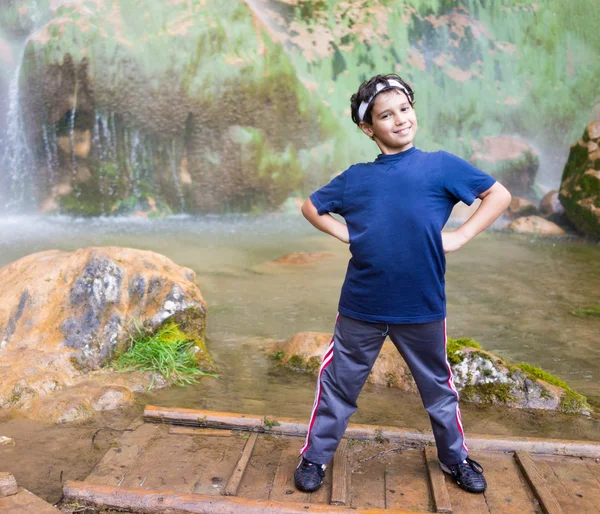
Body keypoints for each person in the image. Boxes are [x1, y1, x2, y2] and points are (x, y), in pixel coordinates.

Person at [294, 74, 511, 495]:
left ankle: (455, 459)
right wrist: (346, 235)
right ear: (367, 128)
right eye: (386, 115)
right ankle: (315, 458)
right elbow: (311, 206)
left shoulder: (441, 166)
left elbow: (497, 195)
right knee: (339, 384)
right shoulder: (355, 177)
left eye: (405, 109)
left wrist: (462, 235)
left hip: (422, 304)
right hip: (362, 304)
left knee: (438, 387)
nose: (399, 119)